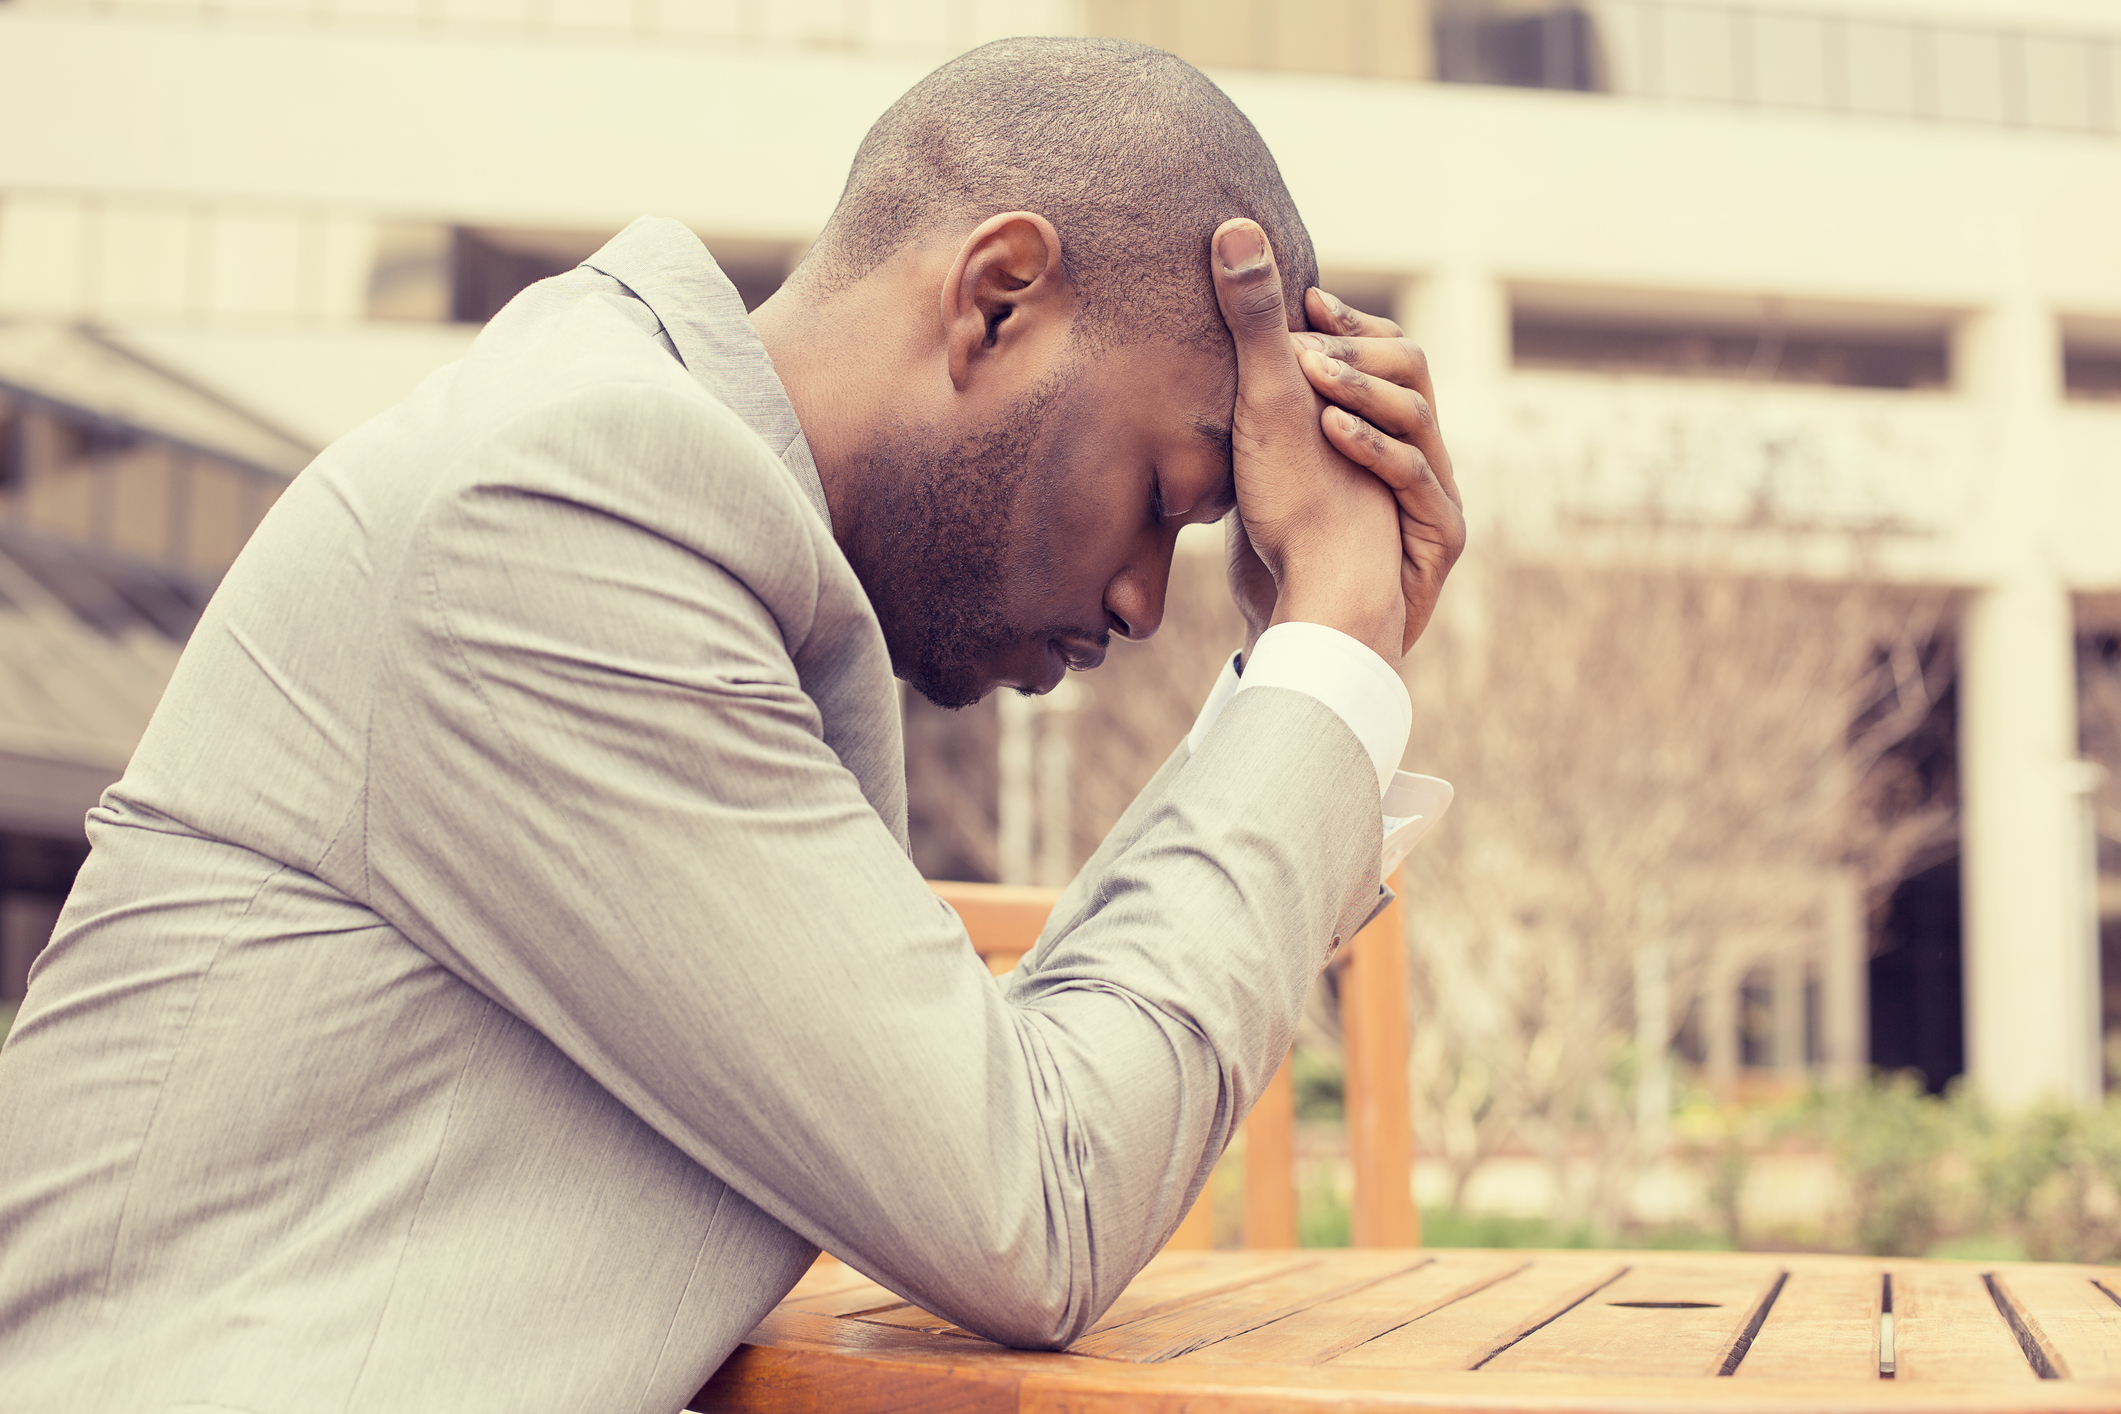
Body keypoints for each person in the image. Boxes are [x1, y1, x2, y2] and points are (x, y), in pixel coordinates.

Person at [0, 36, 1464, 1414]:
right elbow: (1041, 1194)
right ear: (998, 298)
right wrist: (1330, 653)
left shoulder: (672, 522)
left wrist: (1303, 664)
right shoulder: (564, 506)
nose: (1148, 601)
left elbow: (981, 1102)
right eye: (1164, 495)